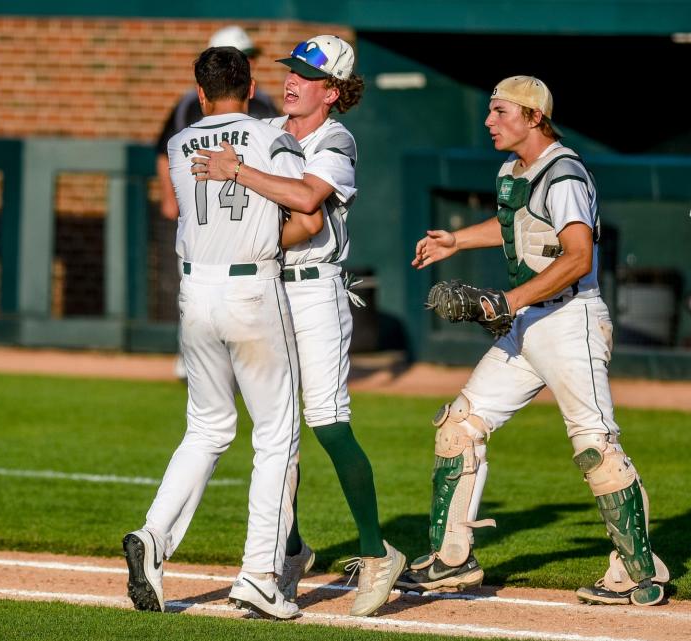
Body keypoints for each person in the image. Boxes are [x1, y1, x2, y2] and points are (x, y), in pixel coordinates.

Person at [397, 76, 670, 607]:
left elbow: (578, 257)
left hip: (571, 321)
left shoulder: (564, 172)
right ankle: (453, 558)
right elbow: (515, 228)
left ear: (533, 117)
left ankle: (640, 571)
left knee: (595, 446)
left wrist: (509, 301)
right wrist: (456, 239)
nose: (488, 120)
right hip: (529, 323)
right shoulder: (512, 171)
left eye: (500, 111)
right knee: (458, 427)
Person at [190, 35, 406, 617]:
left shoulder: (335, 138)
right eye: (290, 71)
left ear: (332, 91)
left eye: (307, 76)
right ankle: (286, 550)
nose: (292, 81)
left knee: (327, 423)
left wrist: (239, 174)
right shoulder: (269, 134)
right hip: (266, 288)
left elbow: (309, 203)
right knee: (274, 430)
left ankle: (376, 552)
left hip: (315, 291)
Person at [123, 45, 305, 620]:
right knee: (276, 433)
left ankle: (154, 536)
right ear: (251, 88)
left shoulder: (179, 143)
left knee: (205, 428)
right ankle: (258, 574)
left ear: (200, 94)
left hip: (194, 291)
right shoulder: (274, 137)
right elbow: (306, 213)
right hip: (253, 286)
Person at [154, 26, 278, 380]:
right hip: (213, 217)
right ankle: (195, 359)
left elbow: (168, 149)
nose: (251, 61)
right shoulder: (195, 105)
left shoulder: (257, 102)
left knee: (202, 291)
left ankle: (215, 364)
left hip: (232, 217)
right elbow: (164, 152)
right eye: (245, 55)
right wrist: (169, 196)